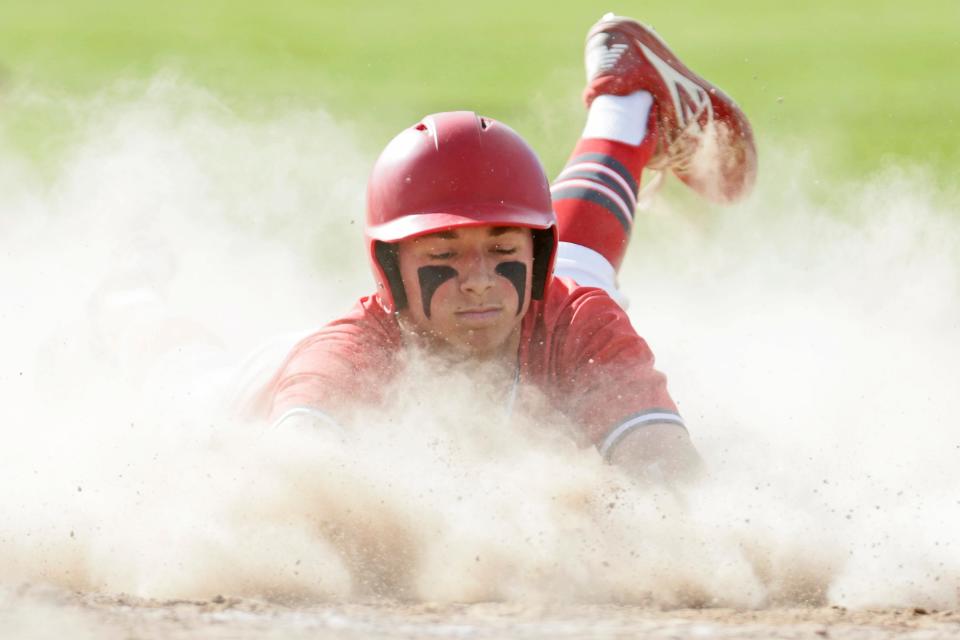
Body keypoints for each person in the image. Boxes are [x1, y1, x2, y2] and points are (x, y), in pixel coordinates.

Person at [254, 14, 756, 484]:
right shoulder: (348, 356)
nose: (477, 277)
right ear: (390, 266)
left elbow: (674, 479)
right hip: (243, 381)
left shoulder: (578, 322)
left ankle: (629, 103)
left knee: (580, 271)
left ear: (539, 254)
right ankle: (627, 109)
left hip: (559, 305)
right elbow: (295, 485)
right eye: (442, 255)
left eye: (503, 248)